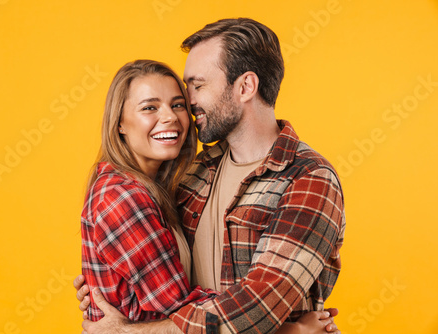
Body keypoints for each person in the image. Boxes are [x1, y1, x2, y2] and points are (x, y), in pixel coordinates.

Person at [77, 17, 345, 333]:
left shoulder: (308, 178)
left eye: (198, 85)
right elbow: (162, 283)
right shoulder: (194, 173)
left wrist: (125, 331)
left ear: (245, 87)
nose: (188, 104)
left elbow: (258, 305)